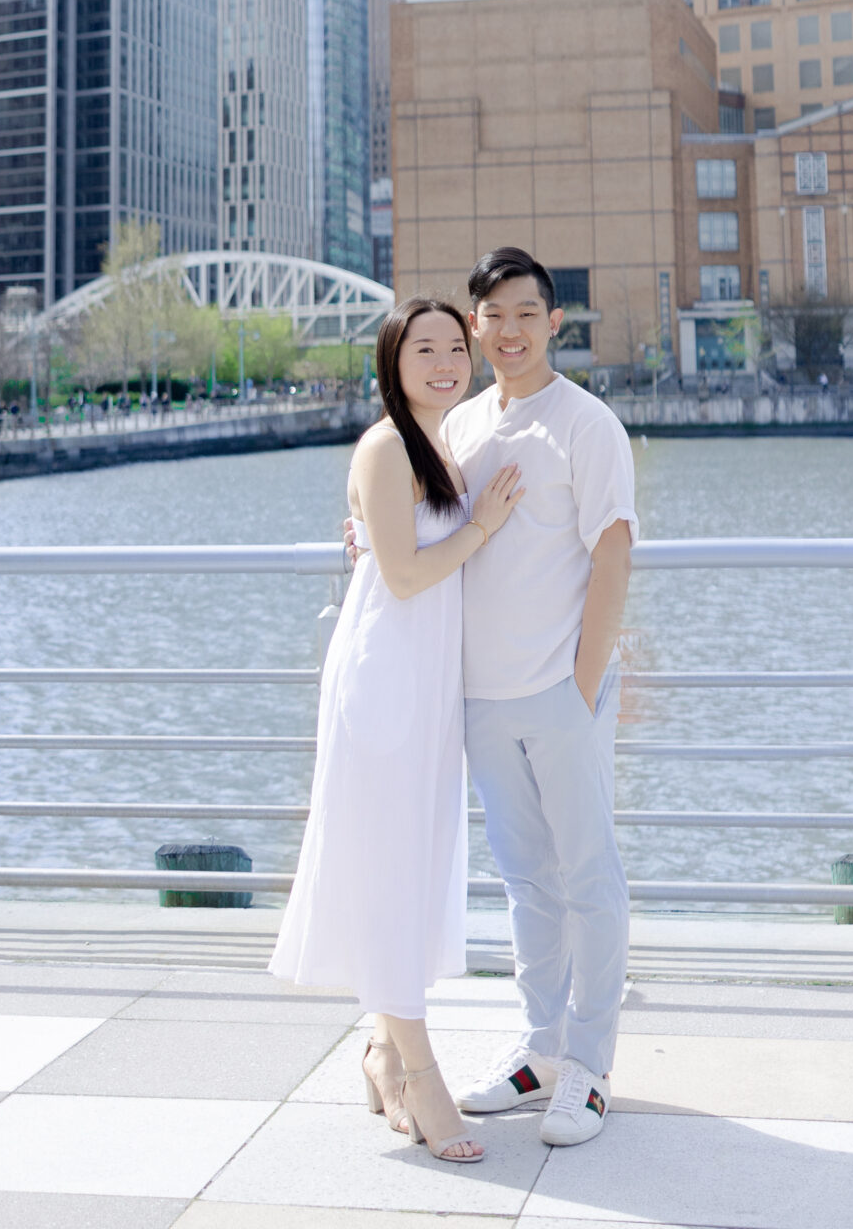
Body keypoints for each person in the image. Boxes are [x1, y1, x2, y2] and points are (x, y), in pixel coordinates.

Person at [270, 297, 523, 1164]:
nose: (447, 360)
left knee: (405, 869)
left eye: (457, 346)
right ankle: (418, 1069)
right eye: (426, 348)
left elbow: (395, 553)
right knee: (389, 869)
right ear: (393, 360)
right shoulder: (386, 445)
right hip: (383, 686)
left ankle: (380, 1051)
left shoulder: (441, 445)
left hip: (424, 688)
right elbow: (408, 577)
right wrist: (483, 525)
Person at [445, 246, 637, 1149]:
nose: (510, 331)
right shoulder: (461, 427)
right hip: (482, 698)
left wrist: (582, 687)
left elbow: (613, 551)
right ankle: (539, 1048)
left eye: (527, 314)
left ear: (553, 322)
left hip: (559, 692)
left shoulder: (585, 424)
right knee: (525, 879)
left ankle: (590, 1066)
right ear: (474, 325)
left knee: (588, 876)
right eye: (494, 316)